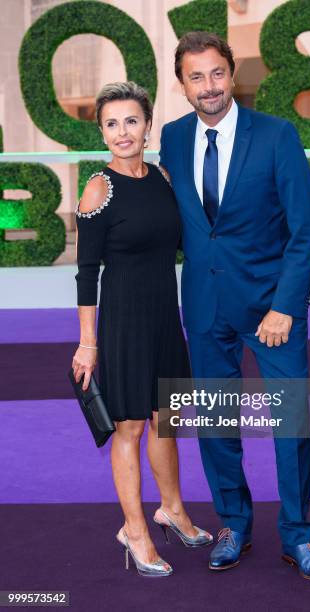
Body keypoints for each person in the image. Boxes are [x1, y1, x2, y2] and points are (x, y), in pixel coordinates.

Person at [159, 32, 310, 582]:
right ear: (182, 84)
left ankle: (298, 536)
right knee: (215, 422)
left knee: (290, 427)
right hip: (206, 309)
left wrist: (285, 306)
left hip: (272, 310)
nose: (208, 87)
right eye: (196, 77)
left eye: (216, 74)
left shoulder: (278, 136)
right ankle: (233, 523)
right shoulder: (171, 137)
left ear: (231, 75)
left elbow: (306, 230)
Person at [72, 81, 212, 578]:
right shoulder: (98, 187)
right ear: (102, 132)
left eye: (131, 121)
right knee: (129, 427)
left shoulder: (164, 178)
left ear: (147, 124)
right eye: (112, 124)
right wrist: (88, 343)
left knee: (166, 419)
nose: (122, 132)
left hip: (163, 317)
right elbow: (87, 272)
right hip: (123, 322)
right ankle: (134, 530)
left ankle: (171, 508)